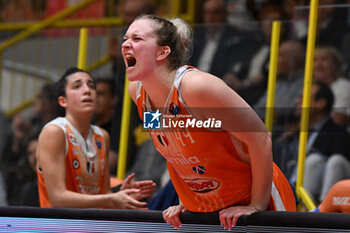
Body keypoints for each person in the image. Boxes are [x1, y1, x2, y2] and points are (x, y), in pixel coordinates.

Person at [122, 14, 296, 230]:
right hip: (209, 208)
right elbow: (171, 144)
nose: (126, 44)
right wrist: (186, 200)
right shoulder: (136, 92)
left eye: (136, 39)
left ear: (163, 52)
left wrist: (256, 206)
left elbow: (260, 138)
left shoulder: (196, 88)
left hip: (253, 199)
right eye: (125, 38)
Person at [36, 67, 156, 208]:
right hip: (59, 225)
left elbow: (103, 195)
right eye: (77, 86)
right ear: (63, 101)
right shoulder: (55, 132)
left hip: (92, 224)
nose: (87, 90)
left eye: (91, 86)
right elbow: (57, 199)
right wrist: (112, 198)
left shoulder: (102, 136)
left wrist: (122, 196)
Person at [273, 81, 350, 203]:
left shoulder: (338, 135)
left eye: (303, 98)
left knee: (314, 160)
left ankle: (320, 212)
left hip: (314, 200)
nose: (297, 102)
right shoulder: (294, 134)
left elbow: (335, 169)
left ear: (320, 104)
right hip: (289, 190)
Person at [313, 46, 350, 128]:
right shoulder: (311, 88)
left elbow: (339, 121)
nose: (318, 64)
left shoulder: (344, 87)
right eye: (314, 60)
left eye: (324, 60)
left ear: (336, 64)